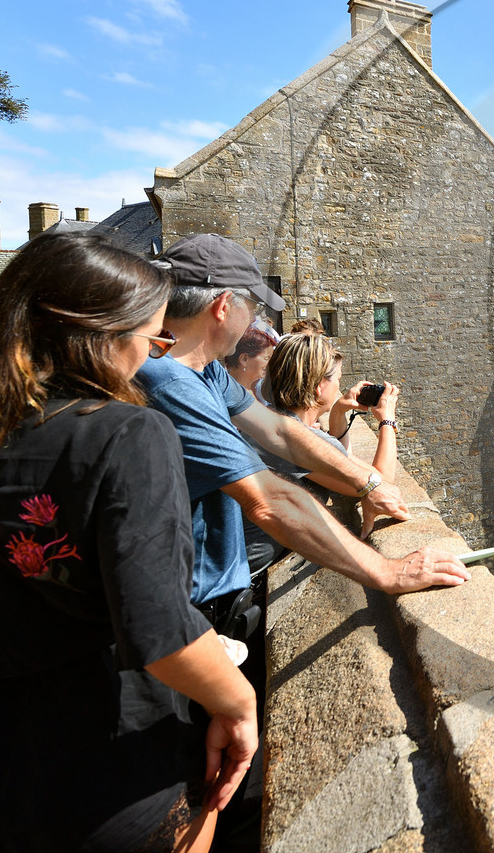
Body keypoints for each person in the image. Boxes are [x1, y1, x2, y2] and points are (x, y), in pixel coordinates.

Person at [0, 233, 257, 853]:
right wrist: (238, 701)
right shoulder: (128, 434)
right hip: (113, 787)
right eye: (153, 340)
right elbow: (160, 631)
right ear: (103, 336)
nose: (151, 357)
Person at [134, 233, 465, 628]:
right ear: (223, 306)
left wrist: (366, 483)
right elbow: (268, 500)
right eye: (253, 307)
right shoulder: (171, 383)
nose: (255, 321)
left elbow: (279, 431)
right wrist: (389, 573)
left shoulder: (202, 370)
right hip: (181, 610)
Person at [260, 334, 401, 517]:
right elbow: (381, 482)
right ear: (319, 386)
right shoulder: (301, 439)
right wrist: (387, 420)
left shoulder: (266, 419)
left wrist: (338, 412)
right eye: (338, 380)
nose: (338, 387)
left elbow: (342, 460)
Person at [222, 319, 279, 400]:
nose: (271, 363)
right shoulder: (231, 396)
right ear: (244, 359)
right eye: (266, 358)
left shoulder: (256, 391)